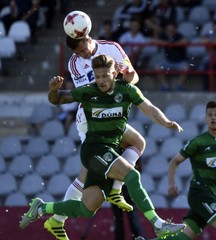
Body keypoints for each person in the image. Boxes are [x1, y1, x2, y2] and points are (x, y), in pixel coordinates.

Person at [19, 54, 186, 239]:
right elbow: (58, 98)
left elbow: (150, 108)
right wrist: (52, 90)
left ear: (115, 73)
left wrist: (167, 122)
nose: (101, 81)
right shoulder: (88, 91)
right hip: (93, 150)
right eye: (97, 77)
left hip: (109, 152)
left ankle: (41, 207)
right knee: (132, 175)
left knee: (87, 208)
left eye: (105, 76)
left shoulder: (127, 90)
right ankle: (158, 223)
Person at [44, 12, 146, 239]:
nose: (83, 55)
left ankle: (58, 219)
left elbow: (134, 78)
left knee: (88, 175)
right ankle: (116, 192)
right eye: (78, 53)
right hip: (91, 119)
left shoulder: (112, 48)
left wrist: (128, 76)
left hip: (111, 116)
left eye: (82, 49)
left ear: (88, 38)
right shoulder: (75, 64)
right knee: (133, 147)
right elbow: (92, 93)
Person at [136, 100, 216, 240]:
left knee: (184, 237)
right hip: (200, 193)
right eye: (210, 115)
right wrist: (171, 183)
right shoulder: (198, 142)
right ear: (206, 119)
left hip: (212, 194)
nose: (213, 117)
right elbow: (174, 161)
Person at [152, 21, 189, 91]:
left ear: (175, 30)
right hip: (168, 61)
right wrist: (167, 43)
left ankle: (179, 86)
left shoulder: (178, 35)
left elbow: (185, 41)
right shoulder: (164, 36)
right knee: (157, 67)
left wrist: (173, 44)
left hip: (180, 61)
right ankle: (165, 86)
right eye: (168, 30)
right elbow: (154, 41)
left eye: (171, 30)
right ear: (166, 30)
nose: (170, 32)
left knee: (186, 67)